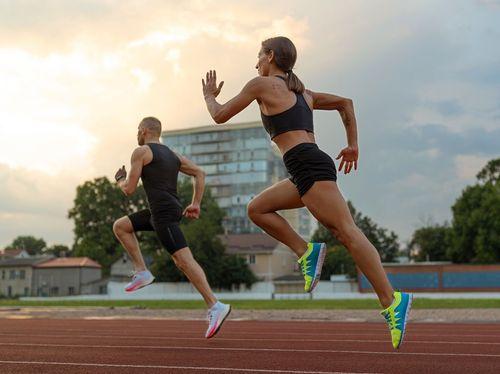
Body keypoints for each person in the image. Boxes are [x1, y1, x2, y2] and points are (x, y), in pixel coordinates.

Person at [201, 36, 412, 349]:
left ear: (270, 56)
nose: (255, 63)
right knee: (257, 209)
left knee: (348, 233)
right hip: (304, 167)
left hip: (307, 164)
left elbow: (219, 115)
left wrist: (208, 96)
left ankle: (392, 301)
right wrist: (352, 143)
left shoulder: (261, 85)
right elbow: (346, 103)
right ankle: (306, 251)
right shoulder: (305, 94)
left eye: (259, 56)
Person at [112, 117, 231, 339]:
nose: (137, 134)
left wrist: (119, 179)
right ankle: (142, 271)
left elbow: (128, 189)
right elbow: (199, 173)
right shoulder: (173, 155)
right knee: (121, 226)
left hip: (163, 213)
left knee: (184, 261)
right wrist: (196, 203)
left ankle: (216, 306)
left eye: (138, 130)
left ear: (145, 130)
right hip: (162, 211)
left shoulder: (141, 152)